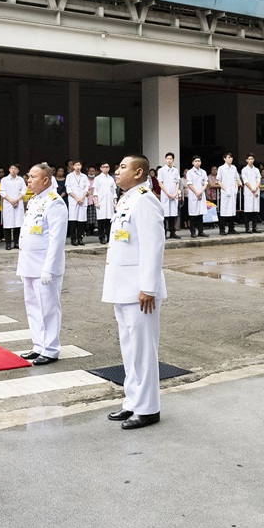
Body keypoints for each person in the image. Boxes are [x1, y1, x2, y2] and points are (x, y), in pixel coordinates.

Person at [104, 154, 167, 430]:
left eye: (123, 167)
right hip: (123, 286)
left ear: (139, 172)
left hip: (140, 290)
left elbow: (154, 246)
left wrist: (148, 287)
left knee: (143, 351)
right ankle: (132, 401)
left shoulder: (145, 200)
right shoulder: (128, 199)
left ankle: (148, 408)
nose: (117, 171)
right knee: (129, 349)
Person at [17, 163, 67, 366]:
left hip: (45, 267)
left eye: (32, 177)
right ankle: (38, 345)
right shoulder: (35, 201)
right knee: (33, 307)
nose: (28, 180)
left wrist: (49, 268)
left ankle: (51, 349)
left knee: (48, 308)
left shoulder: (55, 203)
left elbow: (57, 240)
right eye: (28, 177)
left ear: (45, 180)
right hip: (29, 264)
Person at [0, 164, 27, 250]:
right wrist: (11, 200)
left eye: (15, 169)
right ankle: (8, 244)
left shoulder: (21, 179)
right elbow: (2, 191)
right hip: (8, 203)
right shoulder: (4, 180)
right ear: (9, 170)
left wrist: (17, 200)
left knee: (18, 225)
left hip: (18, 202)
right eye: (11, 168)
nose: (13, 170)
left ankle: (16, 243)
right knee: (8, 225)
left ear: (18, 170)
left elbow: (24, 190)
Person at [157, 152, 182, 239]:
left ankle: (172, 232)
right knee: (165, 215)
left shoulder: (175, 170)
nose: (169, 160)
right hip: (165, 195)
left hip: (173, 195)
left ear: (173, 160)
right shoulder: (161, 170)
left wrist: (175, 193)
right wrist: (167, 193)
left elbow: (177, 182)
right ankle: (164, 233)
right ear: (165, 159)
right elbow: (160, 183)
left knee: (173, 215)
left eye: (171, 159)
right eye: (168, 159)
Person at [66, 159, 90, 246]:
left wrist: (82, 198)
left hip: (82, 200)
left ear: (81, 166)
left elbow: (87, 189)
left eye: (79, 165)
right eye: (76, 165)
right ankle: (73, 239)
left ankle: (80, 238)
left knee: (81, 221)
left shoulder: (84, 176)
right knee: (73, 220)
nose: (77, 167)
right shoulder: (69, 176)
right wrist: (77, 198)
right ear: (73, 166)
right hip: (73, 200)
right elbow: (68, 189)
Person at [217, 153, 240, 235]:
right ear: (224, 158)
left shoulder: (234, 168)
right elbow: (218, 180)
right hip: (225, 192)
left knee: (232, 211)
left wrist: (236, 189)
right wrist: (225, 189)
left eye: (231, 157)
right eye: (229, 157)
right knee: (224, 211)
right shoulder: (221, 168)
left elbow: (236, 179)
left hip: (233, 192)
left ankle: (231, 228)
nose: (230, 159)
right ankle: (222, 229)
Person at [185, 157, 208, 238]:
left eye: (199, 161)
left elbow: (205, 183)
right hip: (193, 194)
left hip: (201, 194)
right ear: (193, 163)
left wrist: (201, 192)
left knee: (200, 214)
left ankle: (201, 231)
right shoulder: (190, 172)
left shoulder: (203, 172)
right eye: (196, 161)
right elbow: (189, 184)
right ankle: (193, 232)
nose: (197, 162)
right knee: (193, 215)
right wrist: (196, 193)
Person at [240, 154, 262, 233]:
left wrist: (256, 188)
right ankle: (247, 228)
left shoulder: (256, 170)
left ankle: (254, 227)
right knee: (248, 211)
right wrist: (253, 190)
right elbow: (245, 181)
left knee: (255, 211)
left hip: (256, 191)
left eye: (252, 159)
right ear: (246, 160)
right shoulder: (244, 170)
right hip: (249, 191)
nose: (251, 160)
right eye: (249, 159)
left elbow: (259, 179)